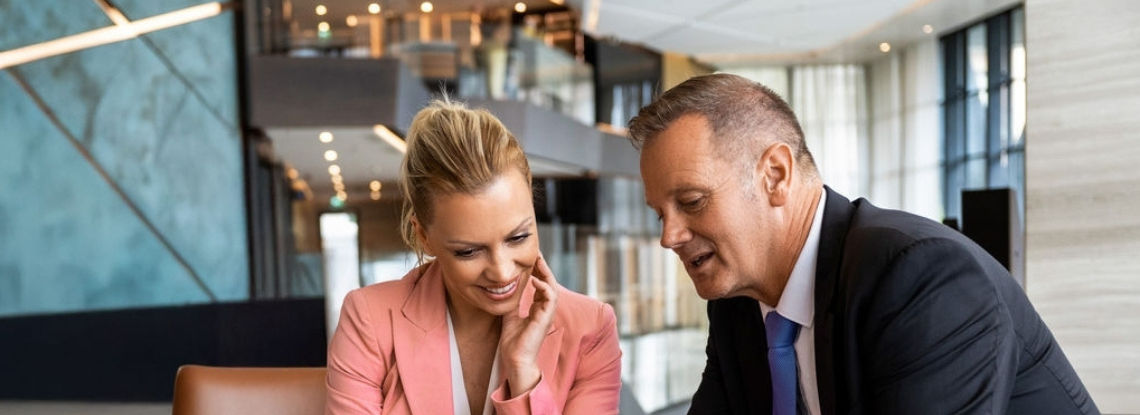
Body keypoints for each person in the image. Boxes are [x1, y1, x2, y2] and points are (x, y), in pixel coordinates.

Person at [627, 74, 1098, 415]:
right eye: (659, 214)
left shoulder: (921, 277)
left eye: (691, 201)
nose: (669, 236)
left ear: (775, 176)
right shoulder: (737, 305)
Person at [326, 100, 622, 415]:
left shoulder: (590, 328)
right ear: (424, 236)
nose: (502, 271)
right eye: (468, 251)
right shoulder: (370, 319)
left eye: (518, 237)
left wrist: (523, 372)